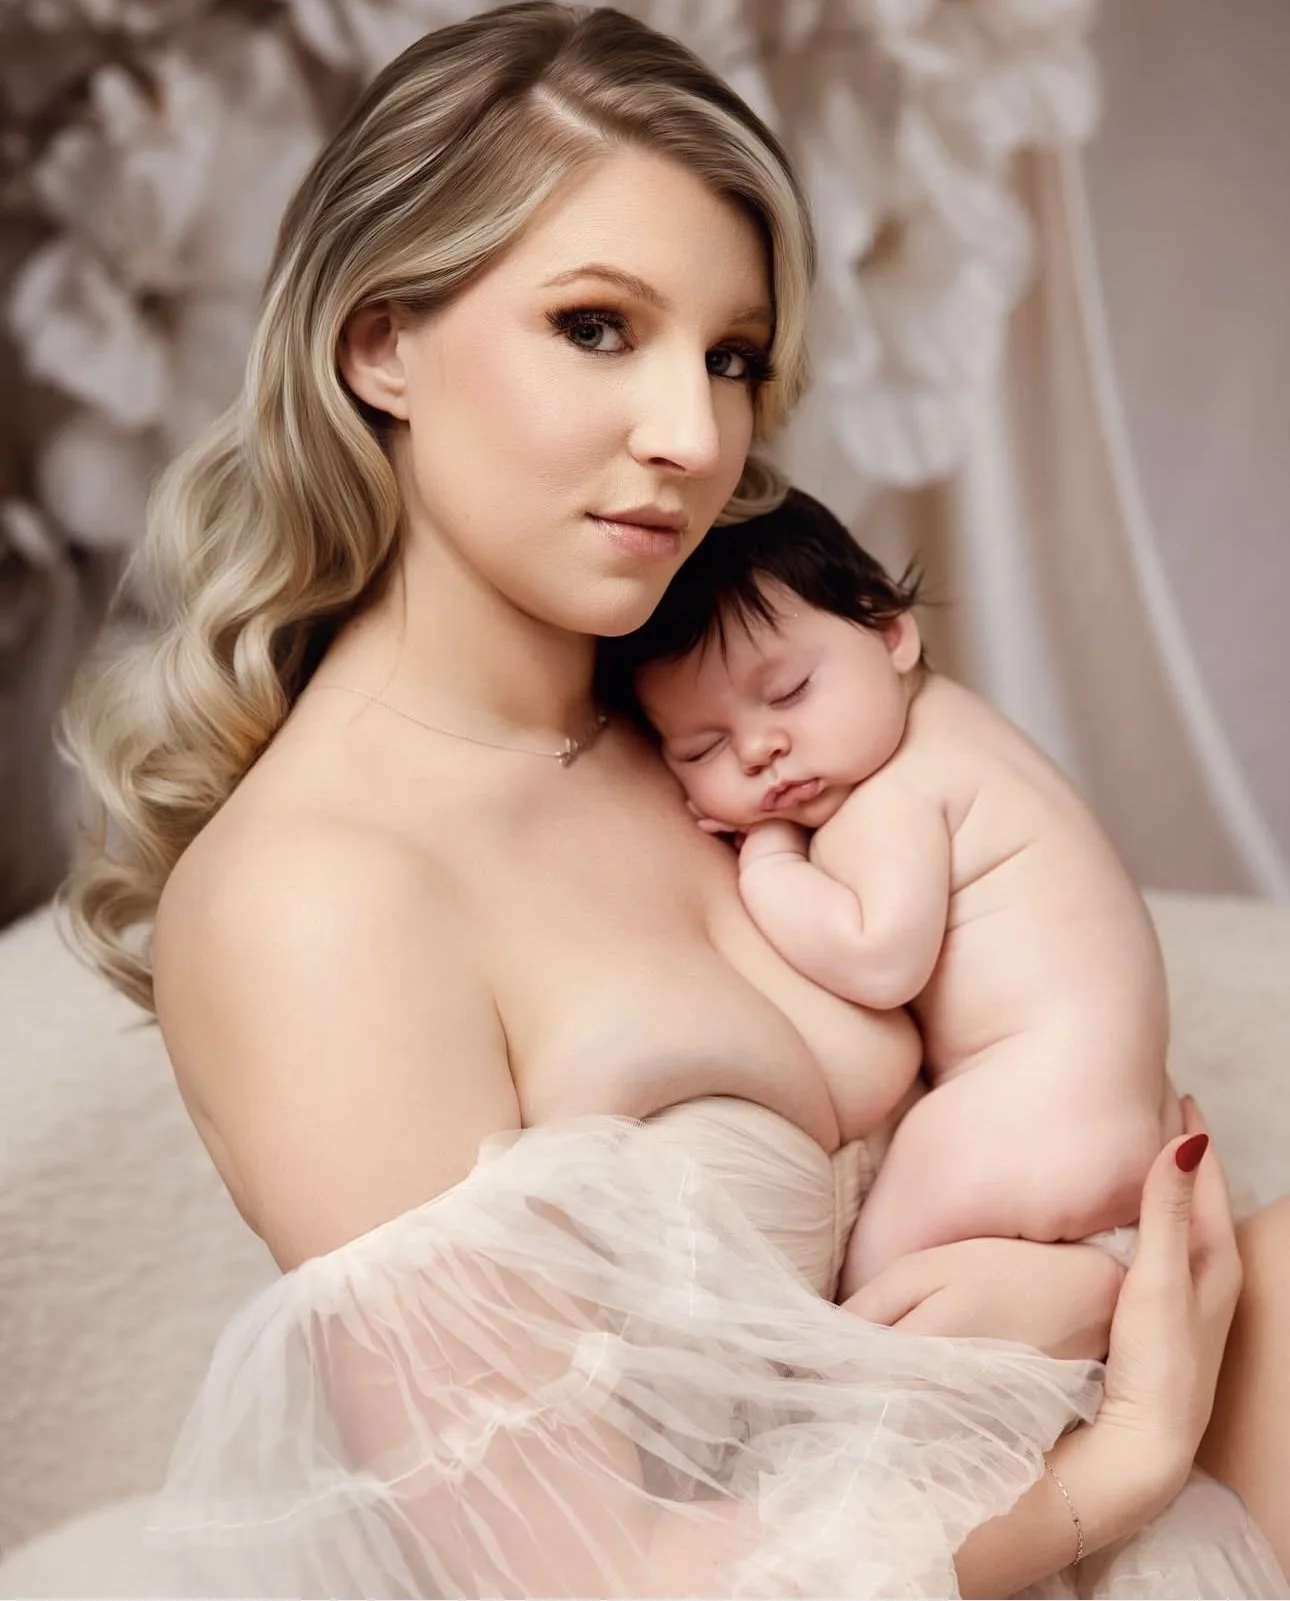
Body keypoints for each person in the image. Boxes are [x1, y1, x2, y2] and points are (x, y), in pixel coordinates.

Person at [59, 4, 1290, 1595]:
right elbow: (593, 1575)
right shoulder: (321, 899)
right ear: (379, 344)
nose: (691, 436)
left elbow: (1066, 1019)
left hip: (1061, 1422)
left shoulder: (745, 705)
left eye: (730, 357)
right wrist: (1110, 1468)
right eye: (594, 326)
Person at [605, 487, 1179, 1297]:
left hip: (1017, 1113)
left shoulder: (894, 795)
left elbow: (879, 960)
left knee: (860, 1311)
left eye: (790, 691)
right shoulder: (959, 723)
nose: (762, 747)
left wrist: (769, 857)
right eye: (703, 747)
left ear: (891, 631)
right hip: (1118, 1109)